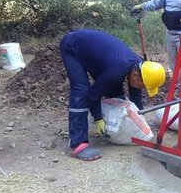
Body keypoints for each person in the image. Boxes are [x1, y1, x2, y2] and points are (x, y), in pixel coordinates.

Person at [59, 28, 166, 161]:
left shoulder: (138, 67)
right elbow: (93, 96)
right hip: (72, 47)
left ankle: (111, 127)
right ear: (135, 75)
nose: (142, 88)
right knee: (82, 90)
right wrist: (98, 119)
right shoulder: (118, 69)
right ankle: (78, 144)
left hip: (96, 56)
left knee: (115, 91)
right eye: (143, 85)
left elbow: (135, 92)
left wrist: (139, 117)